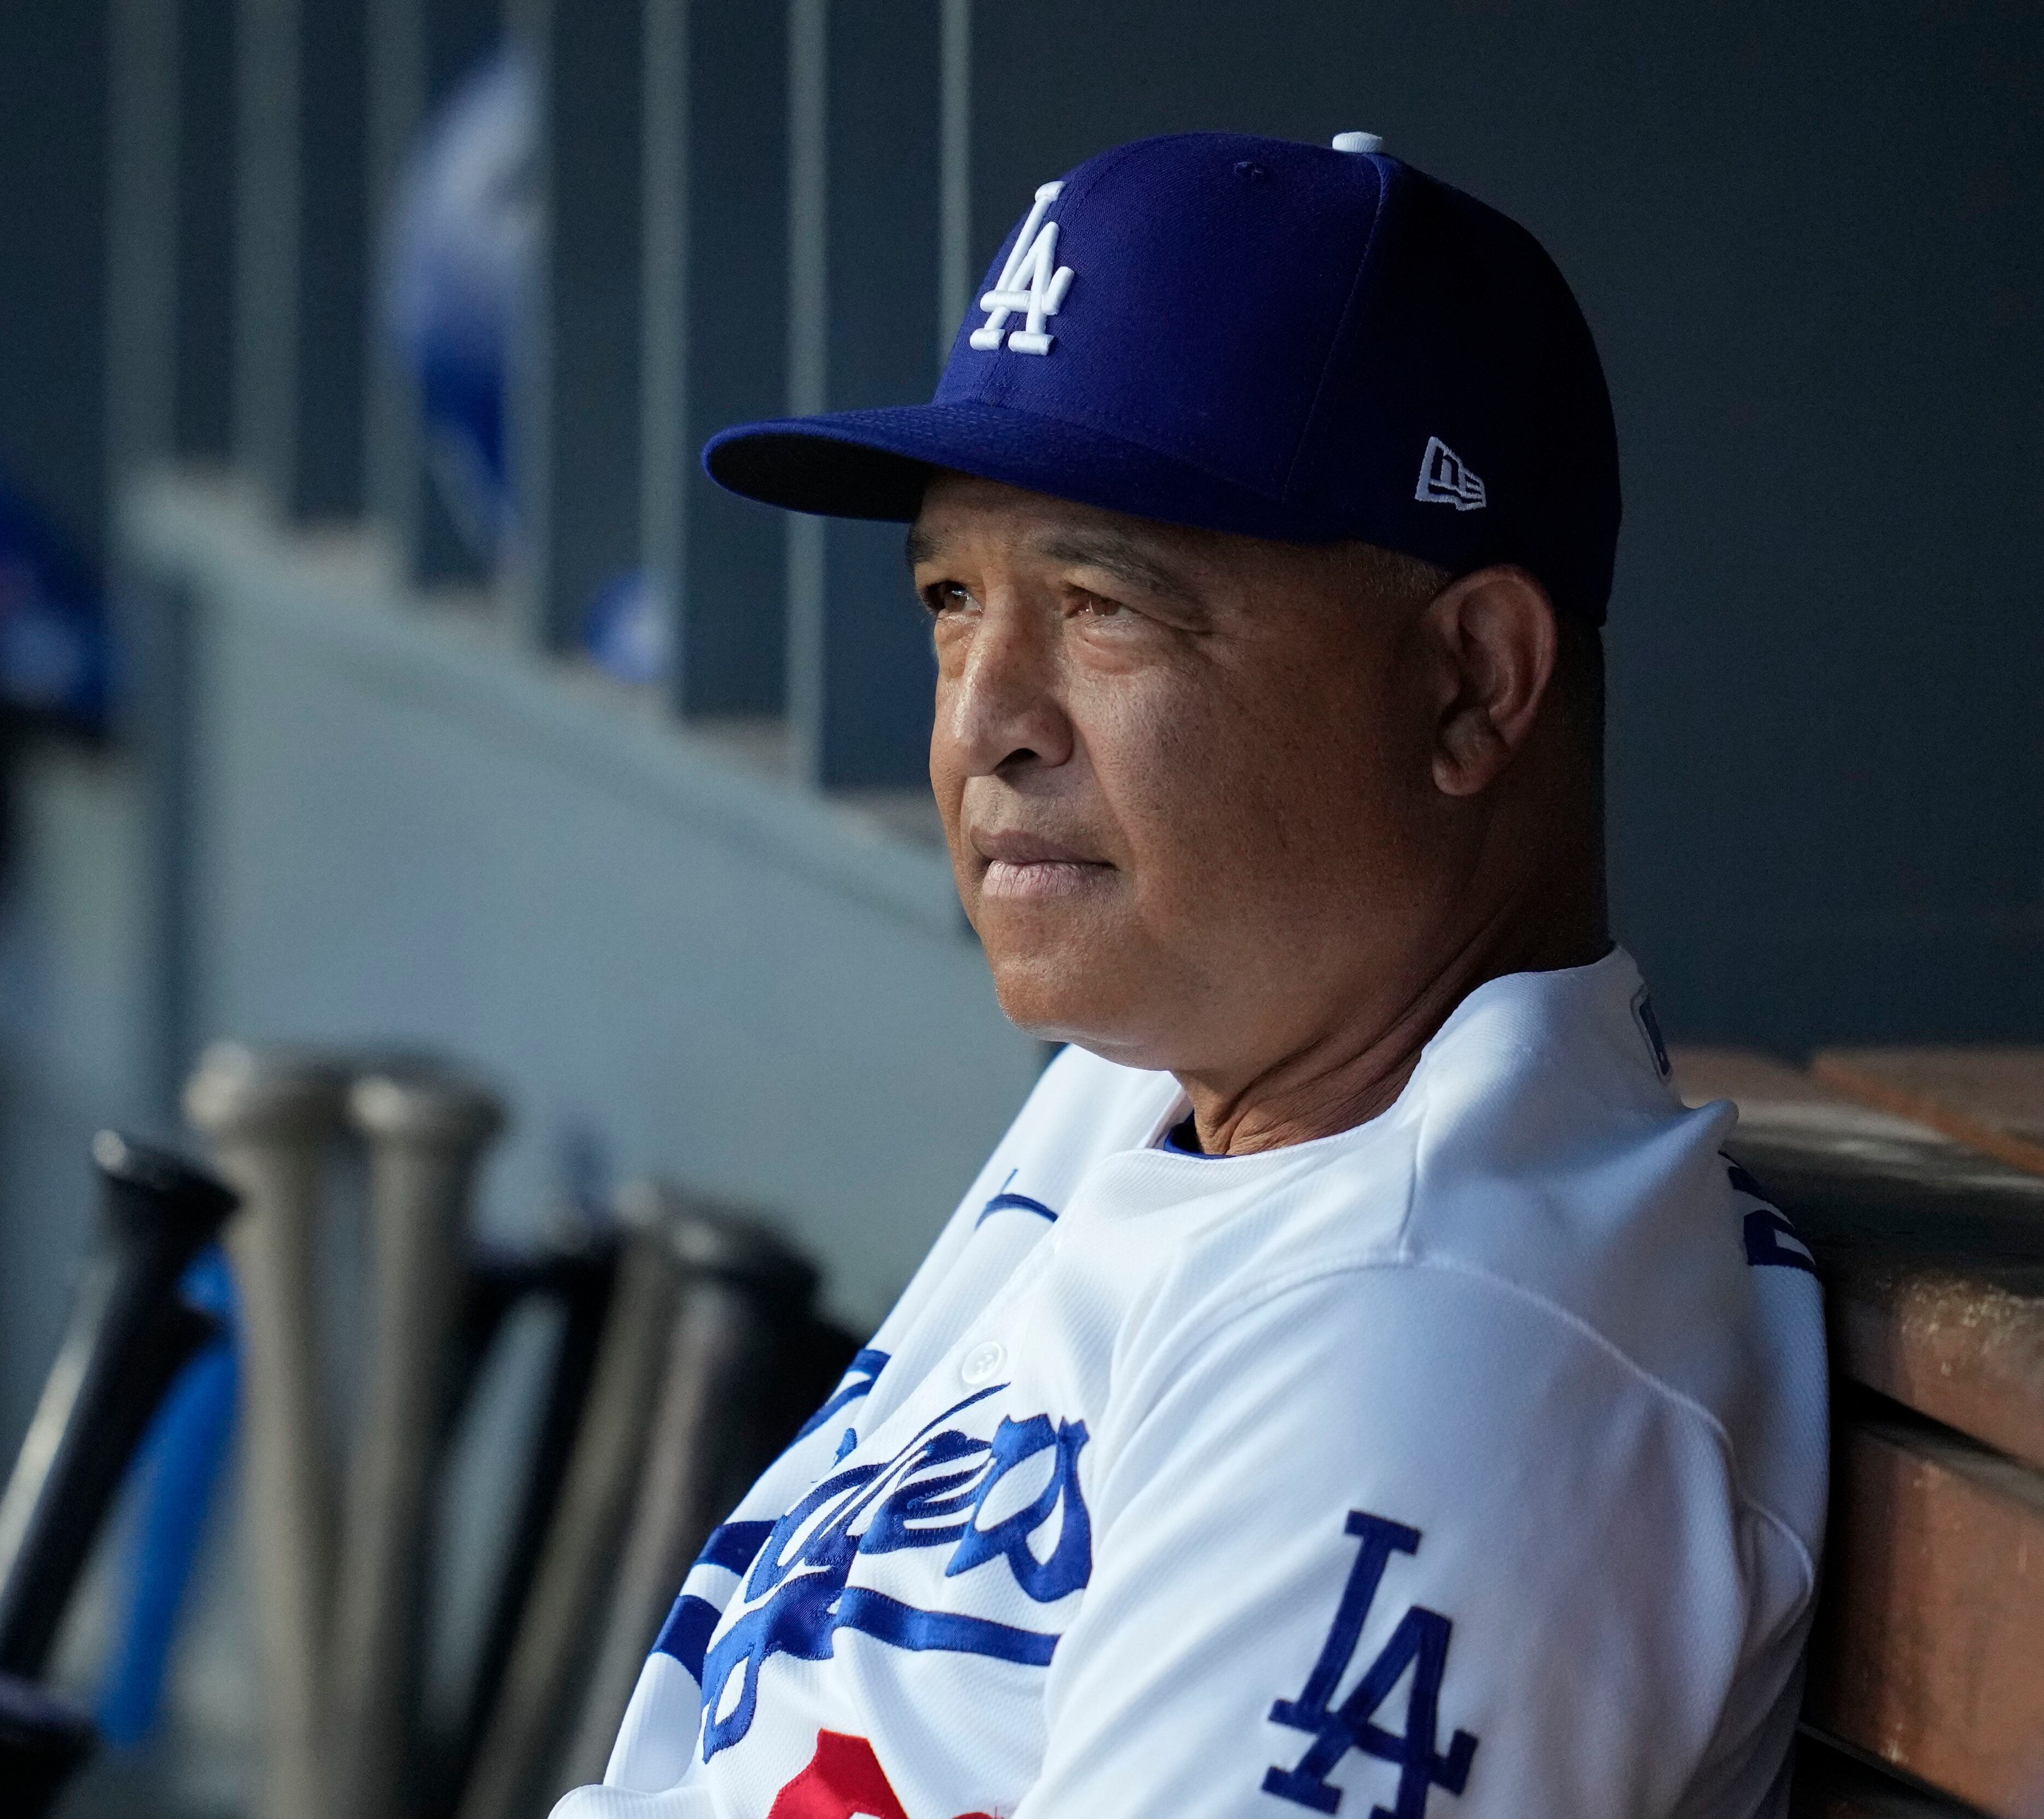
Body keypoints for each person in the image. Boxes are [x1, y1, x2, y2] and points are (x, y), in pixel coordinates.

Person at [554, 132, 1826, 1819]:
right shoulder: (1148, 1095)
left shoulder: (1439, 1348)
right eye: (951, 597)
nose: (978, 721)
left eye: (1100, 606)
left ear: (1472, 685)